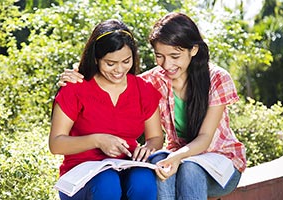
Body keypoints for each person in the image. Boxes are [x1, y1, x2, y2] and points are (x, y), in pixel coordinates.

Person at [57, 12, 247, 200]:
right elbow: (117, 80)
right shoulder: (154, 80)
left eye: (175, 56)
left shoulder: (217, 78)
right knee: (160, 166)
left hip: (219, 162)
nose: (167, 64)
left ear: (194, 50)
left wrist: (175, 157)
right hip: (178, 159)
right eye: (159, 56)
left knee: (189, 169)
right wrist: (76, 74)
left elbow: (205, 137)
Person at [49, 19, 164, 200]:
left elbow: (156, 137)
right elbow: (56, 144)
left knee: (144, 181)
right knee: (107, 183)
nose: (119, 70)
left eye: (126, 61)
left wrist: (149, 148)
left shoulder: (144, 90)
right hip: (82, 174)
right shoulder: (75, 88)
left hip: (127, 166)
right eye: (110, 63)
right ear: (96, 59)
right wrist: (97, 140)